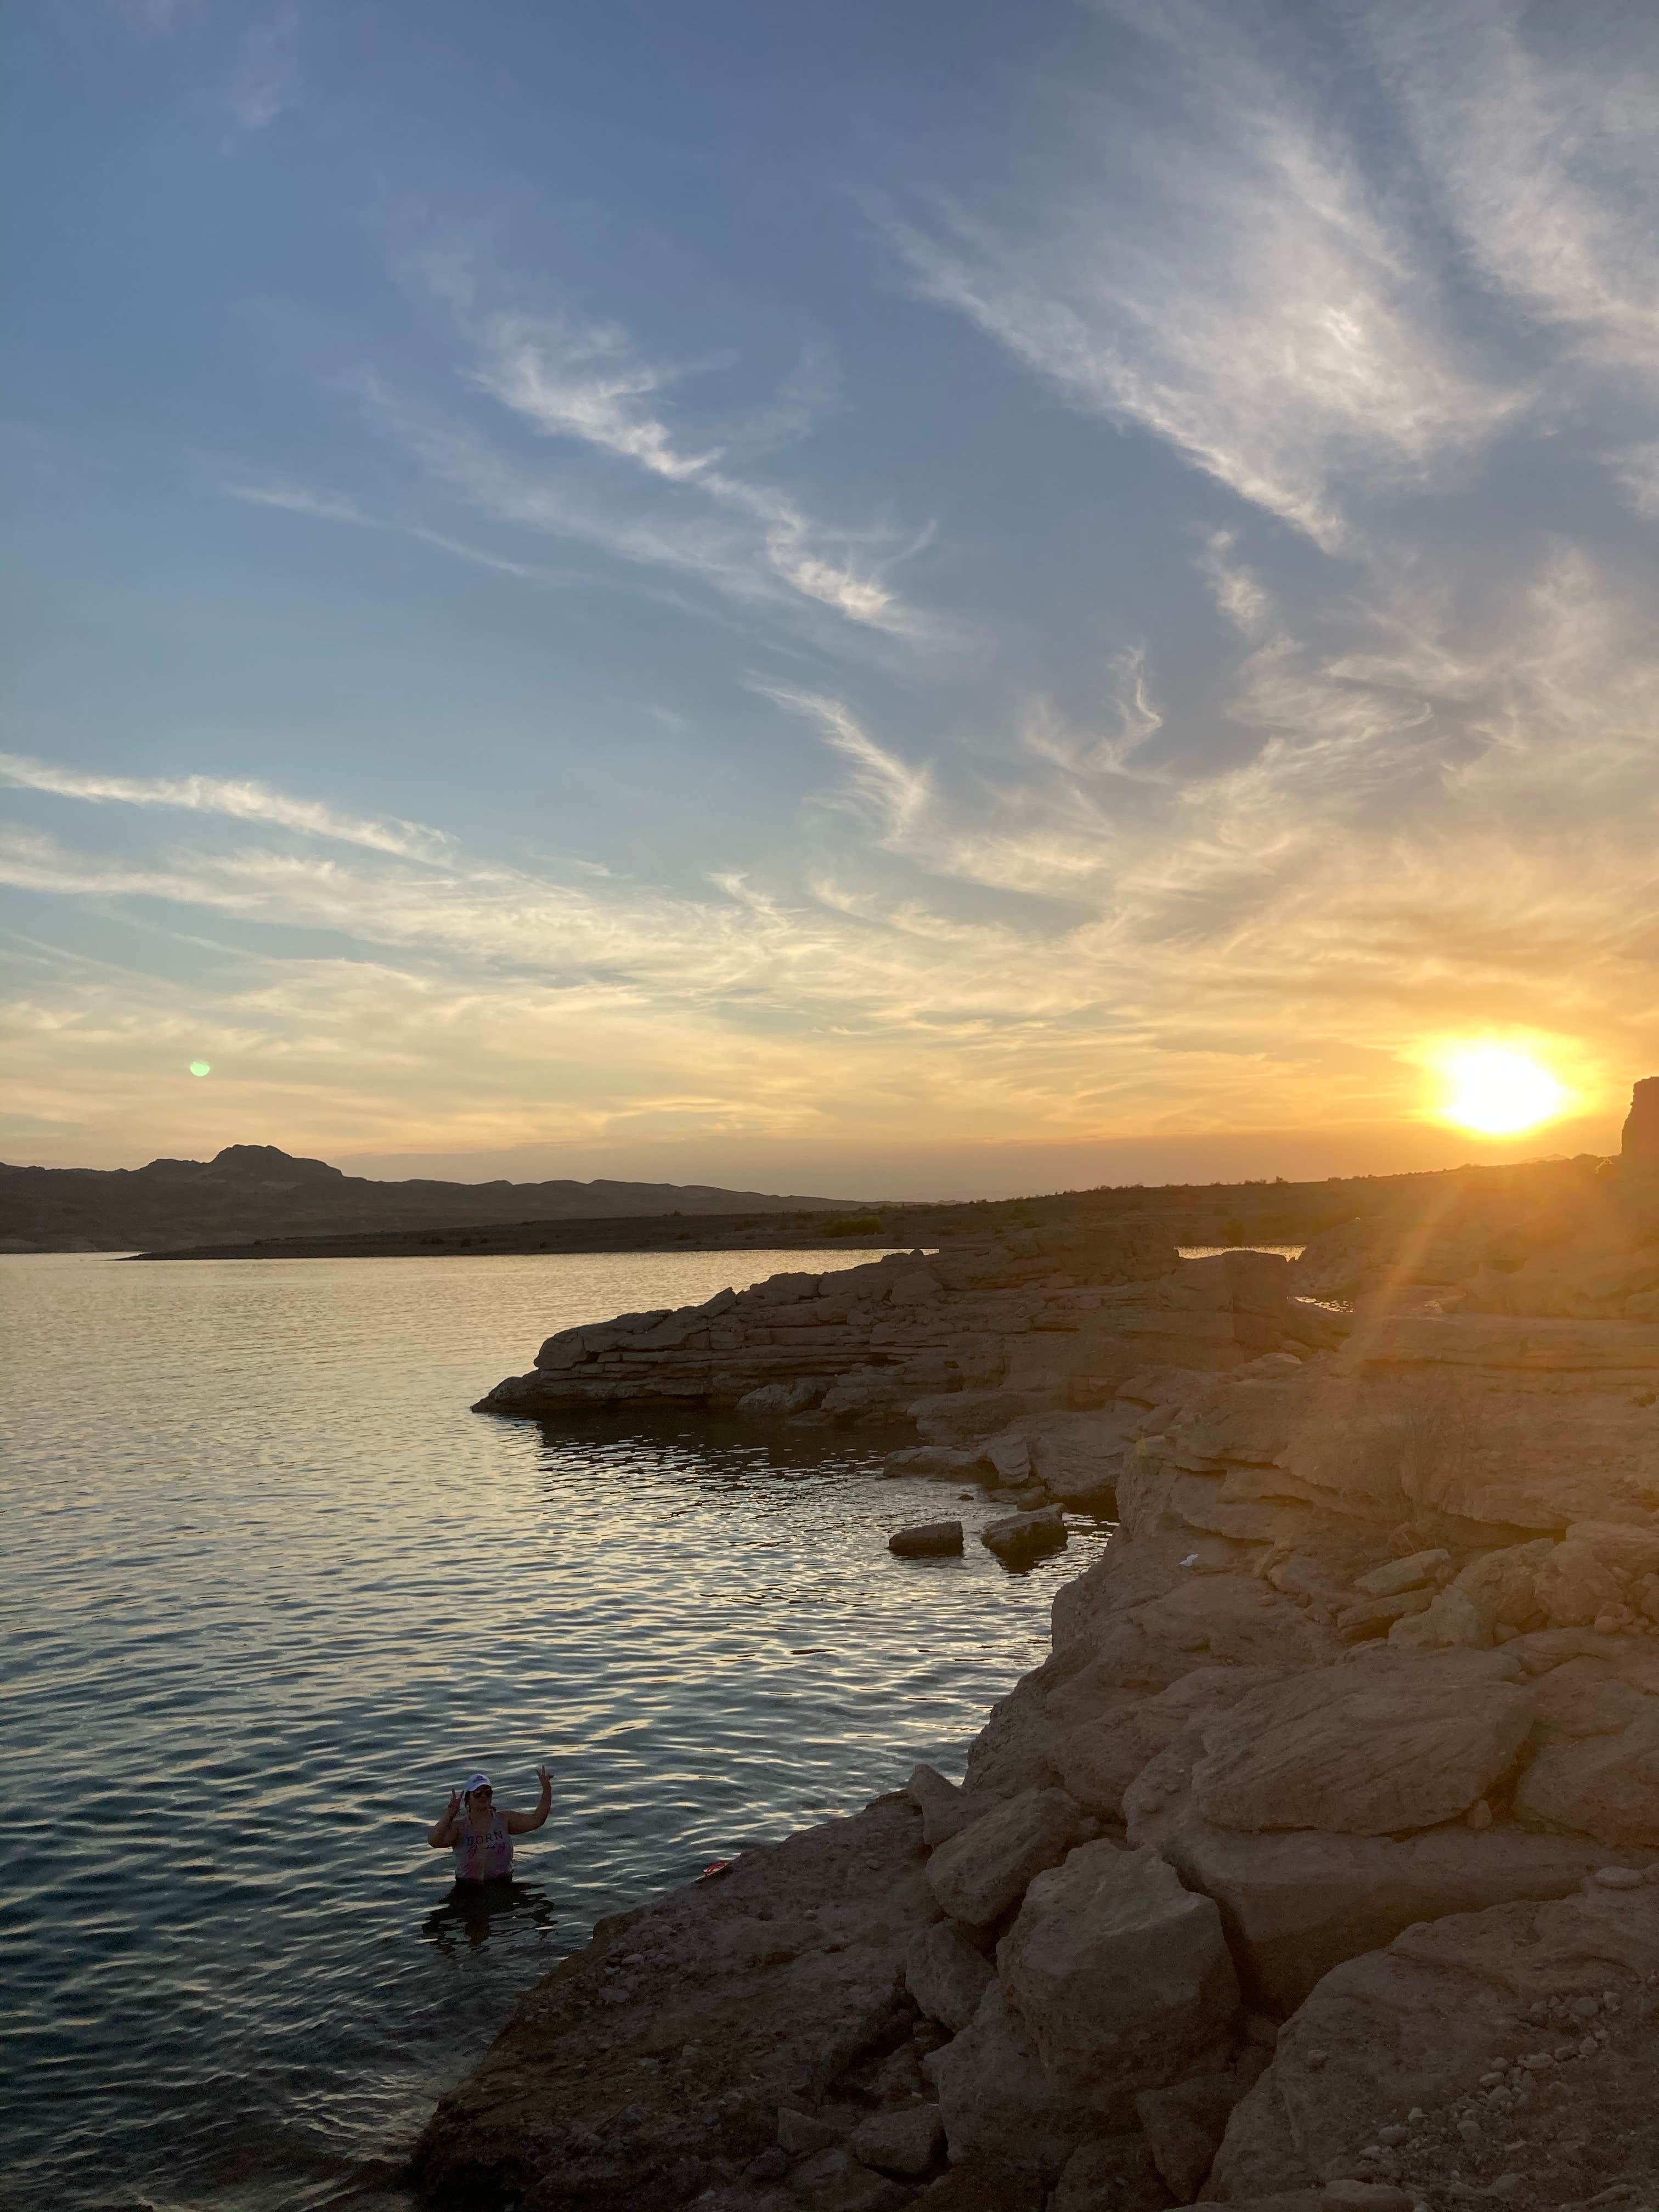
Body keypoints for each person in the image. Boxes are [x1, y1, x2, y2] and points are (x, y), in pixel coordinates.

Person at [426, 1766, 551, 1884]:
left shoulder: (504, 1820)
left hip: (504, 1884)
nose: (483, 1796)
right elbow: (434, 1842)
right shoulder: (460, 1828)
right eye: (478, 1794)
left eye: (488, 1793)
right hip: (468, 1889)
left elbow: (537, 1820)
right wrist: (449, 1816)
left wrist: (547, 1789)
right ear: (468, 1799)